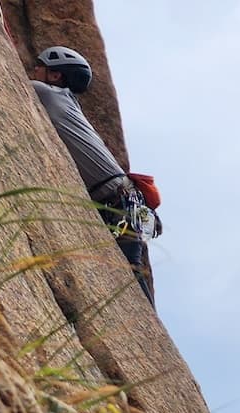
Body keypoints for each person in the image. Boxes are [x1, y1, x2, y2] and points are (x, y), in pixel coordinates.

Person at [26, 45, 156, 303]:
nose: (34, 70)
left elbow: (12, 77)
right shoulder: (65, 101)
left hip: (120, 201)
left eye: (39, 66)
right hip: (119, 201)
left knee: (130, 271)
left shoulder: (50, 94)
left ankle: (148, 327)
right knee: (126, 268)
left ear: (55, 76)